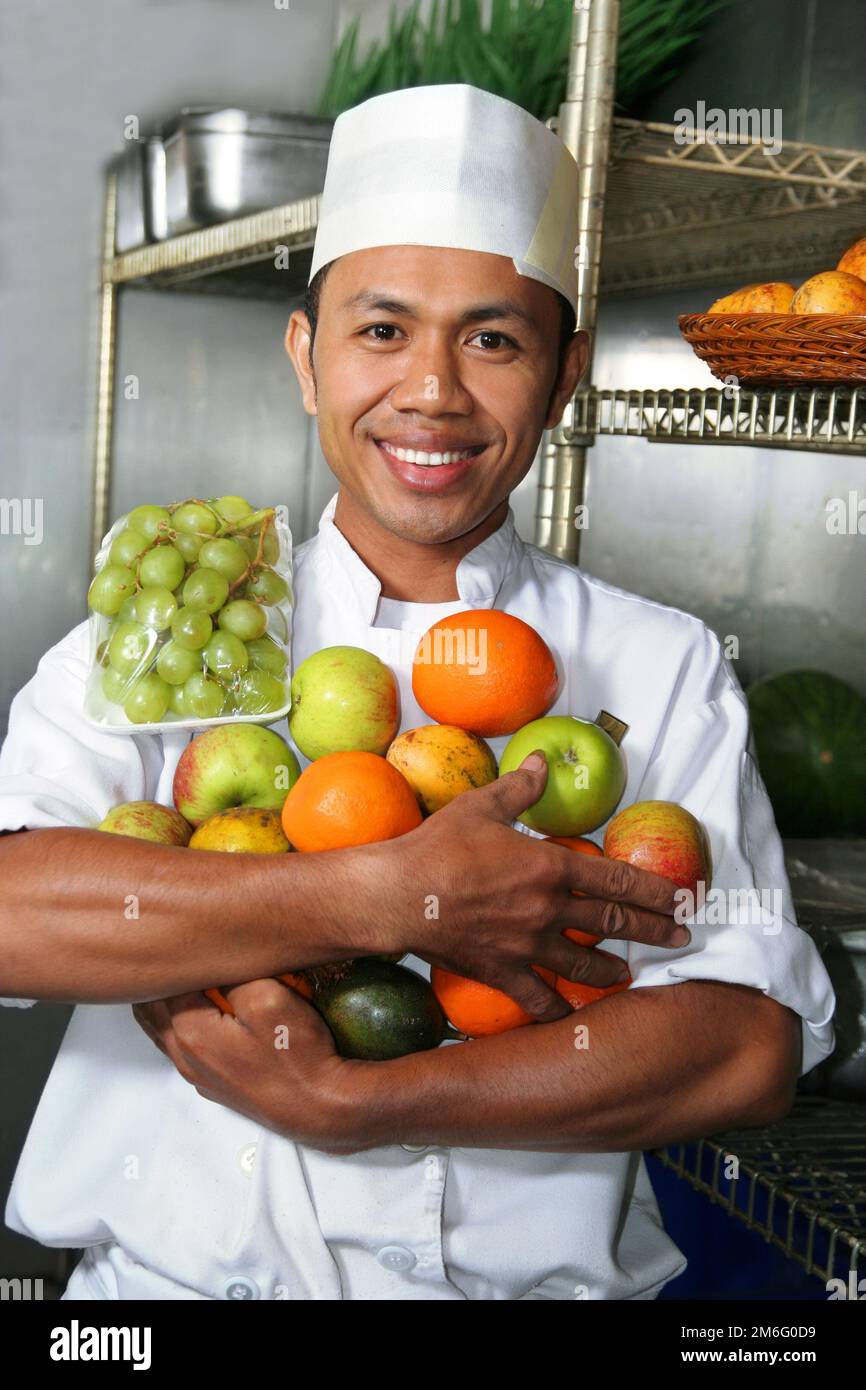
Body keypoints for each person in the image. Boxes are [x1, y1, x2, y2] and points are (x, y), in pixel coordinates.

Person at [0, 84, 834, 1301]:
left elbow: (744, 1045)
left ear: (563, 376)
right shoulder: (182, 634)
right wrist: (378, 895)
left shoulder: (658, 665)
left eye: (491, 339)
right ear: (304, 356)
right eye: (379, 331)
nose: (433, 391)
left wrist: (362, 1102)